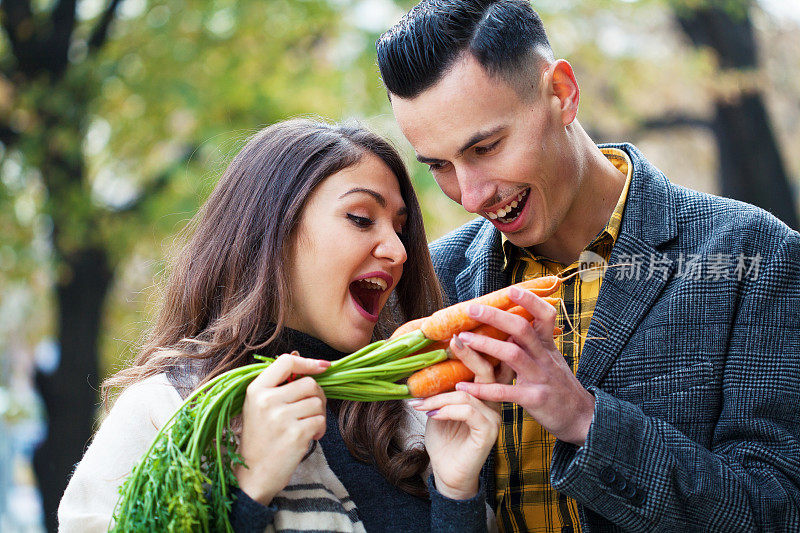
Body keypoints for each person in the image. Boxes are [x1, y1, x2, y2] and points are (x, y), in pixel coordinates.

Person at [375, 1, 800, 531]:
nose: (470, 195)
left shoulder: (751, 256)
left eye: (485, 147)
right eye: (439, 165)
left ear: (562, 93)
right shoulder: (434, 280)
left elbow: (777, 511)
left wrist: (586, 418)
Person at [58, 119, 501, 532]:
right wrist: (249, 491)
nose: (398, 251)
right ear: (273, 228)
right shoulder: (168, 415)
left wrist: (456, 495)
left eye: (400, 230)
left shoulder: (412, 424)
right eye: (361, 218)